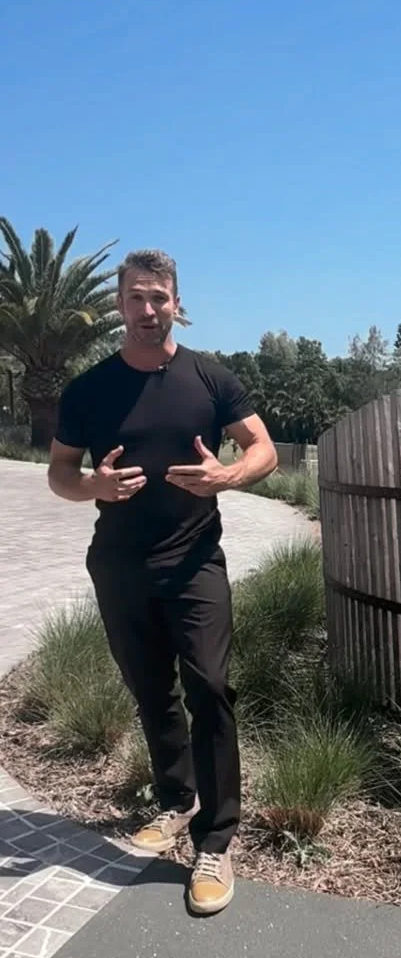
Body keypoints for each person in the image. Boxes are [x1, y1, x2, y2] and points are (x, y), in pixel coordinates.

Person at [48, 249, 277, 915]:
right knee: (151, 690)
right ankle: (177, 801)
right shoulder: (88, 389)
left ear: (177, 303)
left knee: (210, 686)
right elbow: (60, 473)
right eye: (136, 297)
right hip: (119, 564)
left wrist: (227, 476)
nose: (147, 309)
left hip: (194, 560)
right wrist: (90, 486)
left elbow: (261, 449)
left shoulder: (210, 378)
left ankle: (216, 840)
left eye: (159, 297)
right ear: (119, 304)